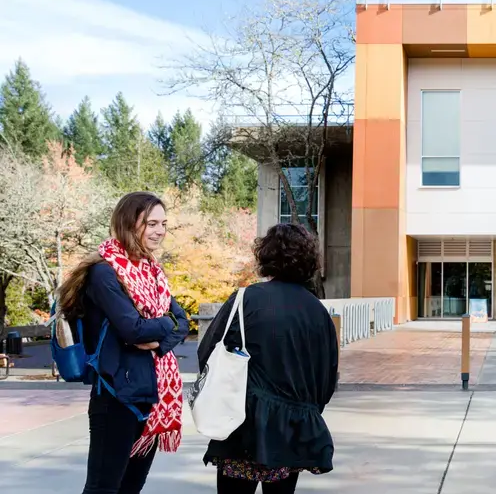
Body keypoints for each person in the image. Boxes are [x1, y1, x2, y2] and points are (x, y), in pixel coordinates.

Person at [57, 192, 189, 494]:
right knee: (104, 487)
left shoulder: (153, 273)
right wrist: (164, 324)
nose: (159, 231)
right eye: (151, 223)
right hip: (116, 396)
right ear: (129, 224)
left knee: (131, 487)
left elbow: (183, 323)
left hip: (152, 395)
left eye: (163, 224)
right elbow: (133, 330)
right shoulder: (104, 272)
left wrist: (158, 340)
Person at [199, 223, 338, 494]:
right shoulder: (318, 312)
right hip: (291, 427)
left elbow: (207, 351)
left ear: (266, 256)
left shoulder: (246, 299)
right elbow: (327, 376)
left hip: (241, 423)